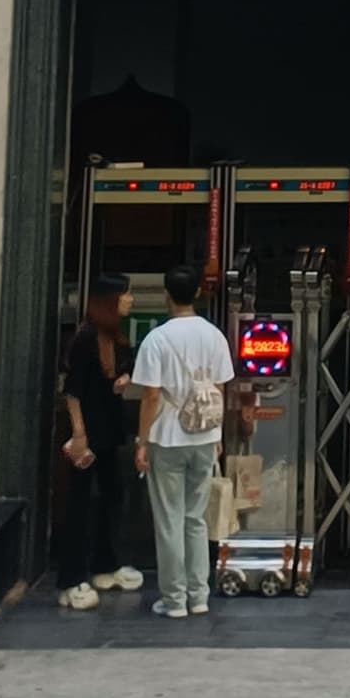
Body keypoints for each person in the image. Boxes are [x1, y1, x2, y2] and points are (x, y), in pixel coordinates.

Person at [126, 263, 235, 621]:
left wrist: (143, 441)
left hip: (167, 437)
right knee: (196, 518)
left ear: (166, 296)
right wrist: (217, 434)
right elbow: (219, 389)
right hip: (205, 436)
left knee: (169, 520)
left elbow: (151, 396)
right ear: (199, 294)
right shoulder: (214, 336)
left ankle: (174, 600)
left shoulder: (157, 339)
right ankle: (199, 595)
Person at [52, 274, 147, 611]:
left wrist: (126, 377)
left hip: (108, 432)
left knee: (112, 496)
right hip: (88, 433)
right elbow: (73, 391)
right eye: (125, 295)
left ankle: (104, 565)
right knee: (78, 504)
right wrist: (78, 434)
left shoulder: (114, 338)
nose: (130, 300)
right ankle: (70, 579)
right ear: (110, 299)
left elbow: (127, 367)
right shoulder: (86, 338)